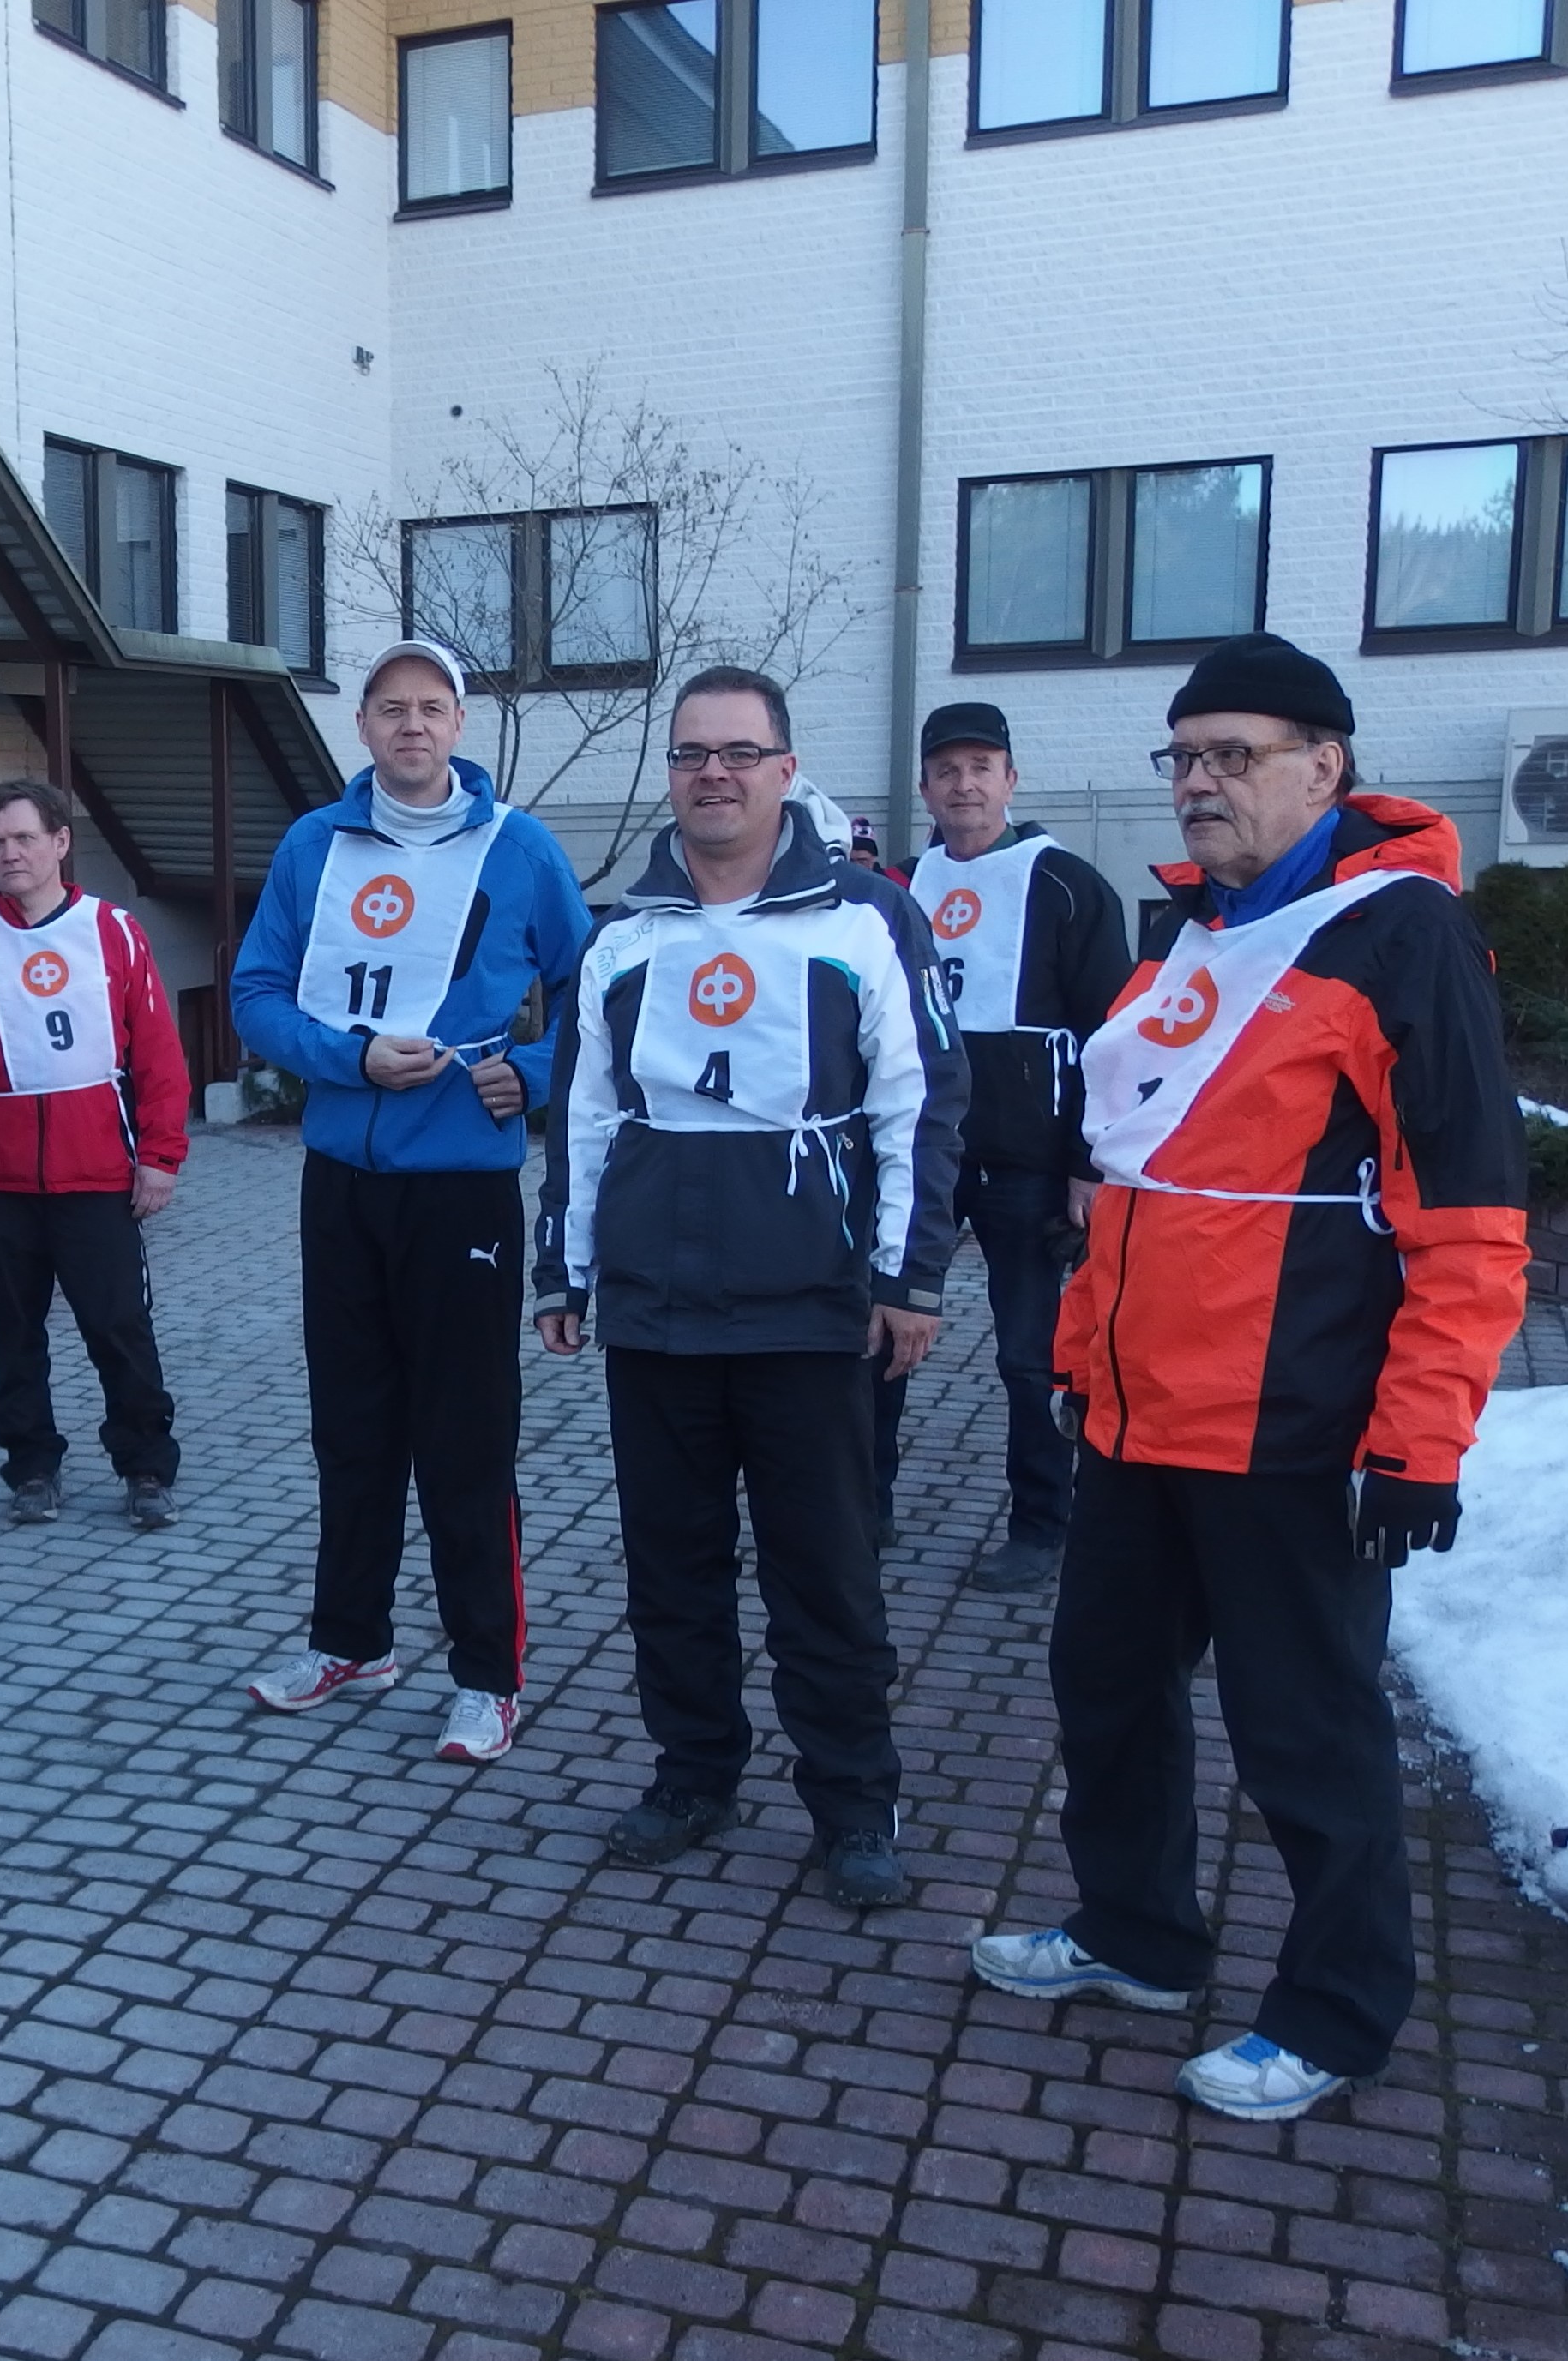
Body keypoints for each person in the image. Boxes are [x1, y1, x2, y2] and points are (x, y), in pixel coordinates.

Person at [975, 634, 1528, 2122]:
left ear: (1323, 766)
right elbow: (1131, 1179)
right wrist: (1078, 1364)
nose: (1197, 781)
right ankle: (1136, 1931)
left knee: (1304, 1731)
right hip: (1135, 1414)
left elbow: (1468, 1215)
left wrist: (1418, 1444)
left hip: (1290, 1425)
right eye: (1182, 756)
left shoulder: (1398, 935)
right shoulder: (1192, 933)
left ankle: (1338, 2009)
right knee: (1105, 1689)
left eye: (1232, 753)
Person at [533, 665, 968, 1908]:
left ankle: (853, 1803)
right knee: (669, 1571)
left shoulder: (866, 917)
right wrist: (565, 1268)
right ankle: (693, 1774)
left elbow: (920, 1105)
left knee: (822, 1576)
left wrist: (908, 1276)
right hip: (654, 1309)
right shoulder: (622, 936)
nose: (711, 774)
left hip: (808, 1309)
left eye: (737, 752)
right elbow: (583, 1114)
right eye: (689, 754)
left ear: (785, 769)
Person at [231, 640, 594, 1767]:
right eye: (390, 708)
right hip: (340, 1181)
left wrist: (531, 1074)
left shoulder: (517, 846)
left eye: (431, 707)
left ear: (458, 722)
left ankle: (487, 1673)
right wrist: (345, 1059)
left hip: (461, 1187)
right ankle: (350, 1640)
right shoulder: (312, 844)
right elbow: (254, 993)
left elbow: (594, 989)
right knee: (350, 1422)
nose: (411, 726)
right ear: (362, 726)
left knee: (463, 1435)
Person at [874, 702, 1132, 1586]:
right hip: (920, 1156)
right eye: (946, 771)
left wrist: (1088, 1164)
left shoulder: (1066, 884)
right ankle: (864, 1506)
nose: (964, 785)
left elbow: (1112, 1035)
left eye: (981, 767)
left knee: (1030, 1355)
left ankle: (1040, 1524)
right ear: (924, 788)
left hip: (1028, 1163)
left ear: (1010, 780)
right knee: (882, 1329)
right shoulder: (895, 888)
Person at [0, 778, 189, 1526]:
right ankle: (31, 1468)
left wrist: (160, 1156)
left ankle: (146, 1467)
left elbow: (159, 1055)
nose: (10, 854)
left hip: (97, 1178)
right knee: (13, 1336)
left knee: (119, 1329)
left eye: (25, 838)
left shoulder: (115, 932)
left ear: (61, 842)